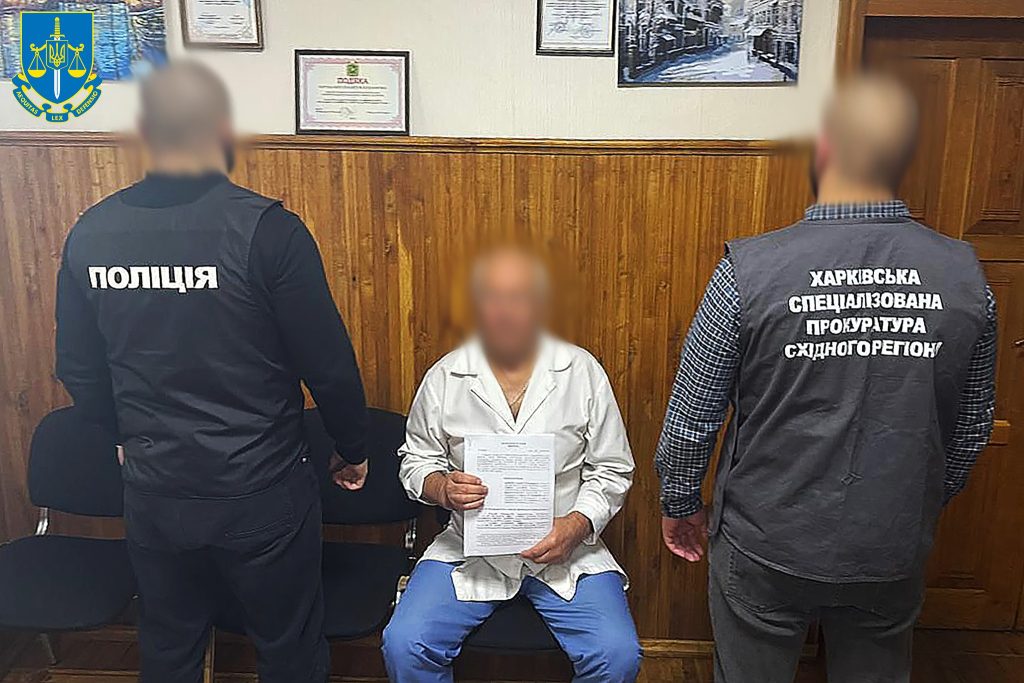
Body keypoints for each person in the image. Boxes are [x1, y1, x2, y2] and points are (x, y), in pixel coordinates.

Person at [655, 74, 997, 683]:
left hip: (765, 538)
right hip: (890, 542)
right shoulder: (966, 277)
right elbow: (970, 431)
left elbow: (692, 416)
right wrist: (911, 502)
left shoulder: (748, 272)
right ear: (901, 156)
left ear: (824, 150)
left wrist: (680, 502)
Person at [54, 61, 370, 683]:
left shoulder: (91, 234)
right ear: (222, 133)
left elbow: (78, 369)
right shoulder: (268, 231)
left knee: (170, 646)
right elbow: (328, 364)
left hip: (156, 490)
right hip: (261, 490)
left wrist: (121, 435)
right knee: (288, 648)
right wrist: (352, 446)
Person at [382, 248, 641, 683]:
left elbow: (612, 468)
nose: (505, 311)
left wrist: (576, 525)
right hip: (469, 549)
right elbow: (415, 460)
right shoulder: (446, 376)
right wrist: (441, 488)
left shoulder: (581, 372)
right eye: (492, 297)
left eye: (518, 297)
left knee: (617, 655)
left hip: (567, 551)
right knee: (404, 644)